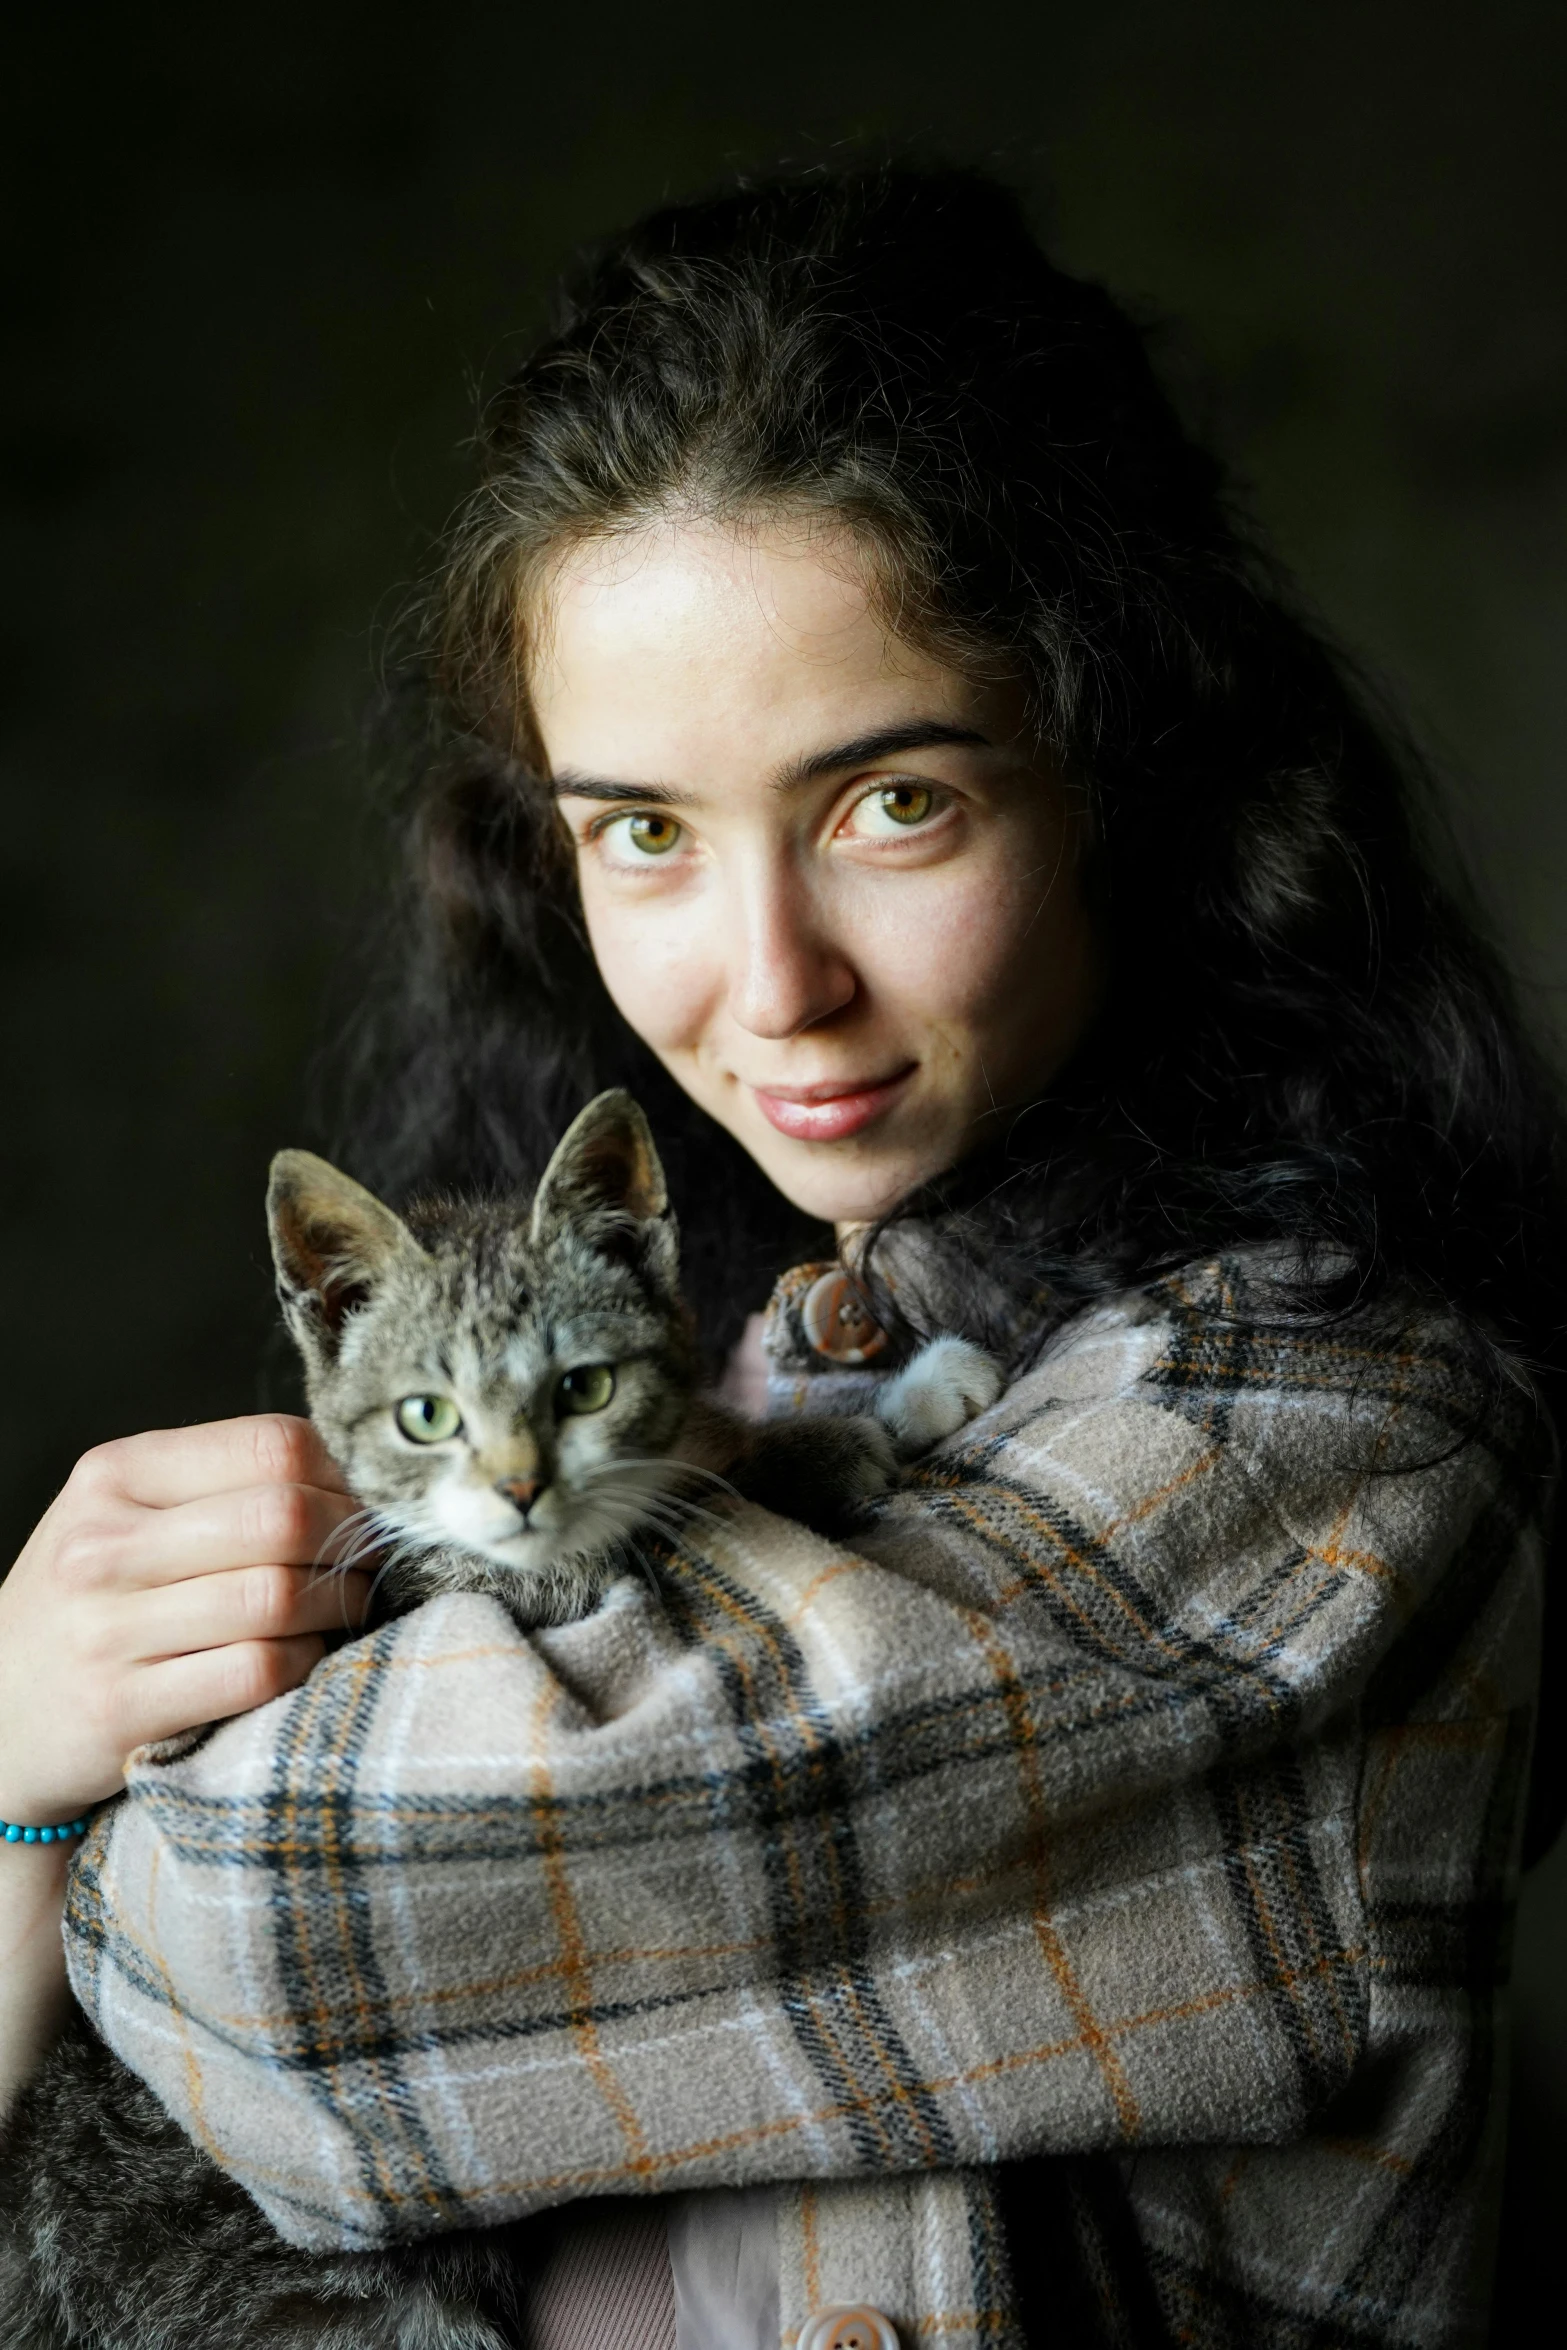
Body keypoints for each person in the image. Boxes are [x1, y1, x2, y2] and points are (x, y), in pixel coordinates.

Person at [1, 163, 1560, 2350]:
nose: (768, 982)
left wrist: (49, 1794)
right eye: (642, 826)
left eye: (890, 800)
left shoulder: (1342, 1444)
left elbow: (264, 1936)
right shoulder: (760, 1352)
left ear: (1129, 769)